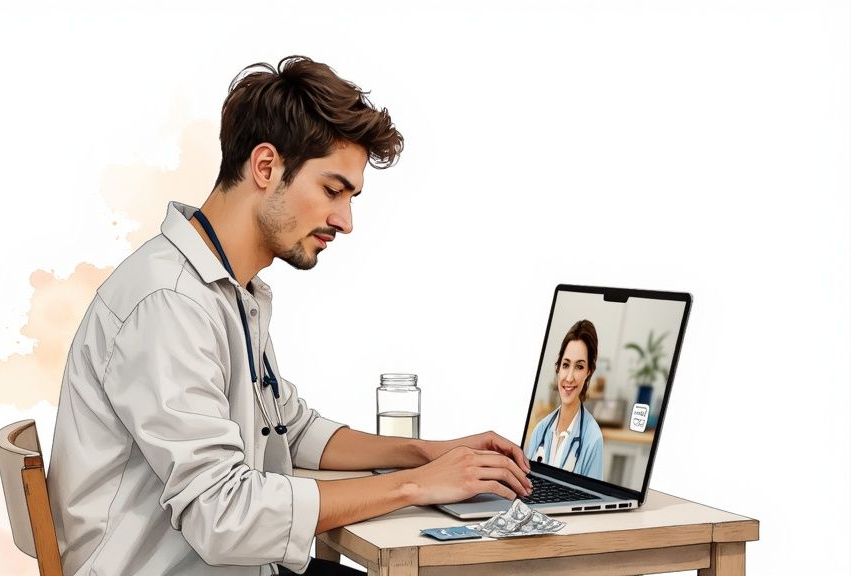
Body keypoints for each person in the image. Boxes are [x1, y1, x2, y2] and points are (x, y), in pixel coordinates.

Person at [47, 56, 533, 576]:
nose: (344, 221)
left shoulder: (227, 289)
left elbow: (290, 430)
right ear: (265, 166)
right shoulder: (169, 302)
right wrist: (417, 485)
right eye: (332, 189)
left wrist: (428, 452)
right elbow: (224, 516)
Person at [525, 319, 605, 480]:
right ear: (558, 368)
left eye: (579, 367)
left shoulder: (593, 438)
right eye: (566, 365)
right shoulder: (540, 431)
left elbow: (592, 502)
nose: (569, 377)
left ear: (589, 371)